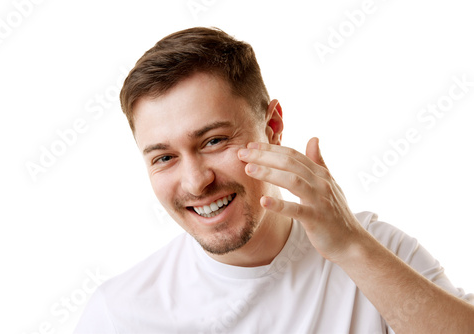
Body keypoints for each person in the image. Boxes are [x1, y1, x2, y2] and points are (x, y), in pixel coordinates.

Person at [74, 27, 474, 333]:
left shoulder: (377, 250)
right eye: (164, 157)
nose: (196, 182)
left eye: (214, 141)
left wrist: (352, 247)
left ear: (273, 125)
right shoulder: (119, 312)